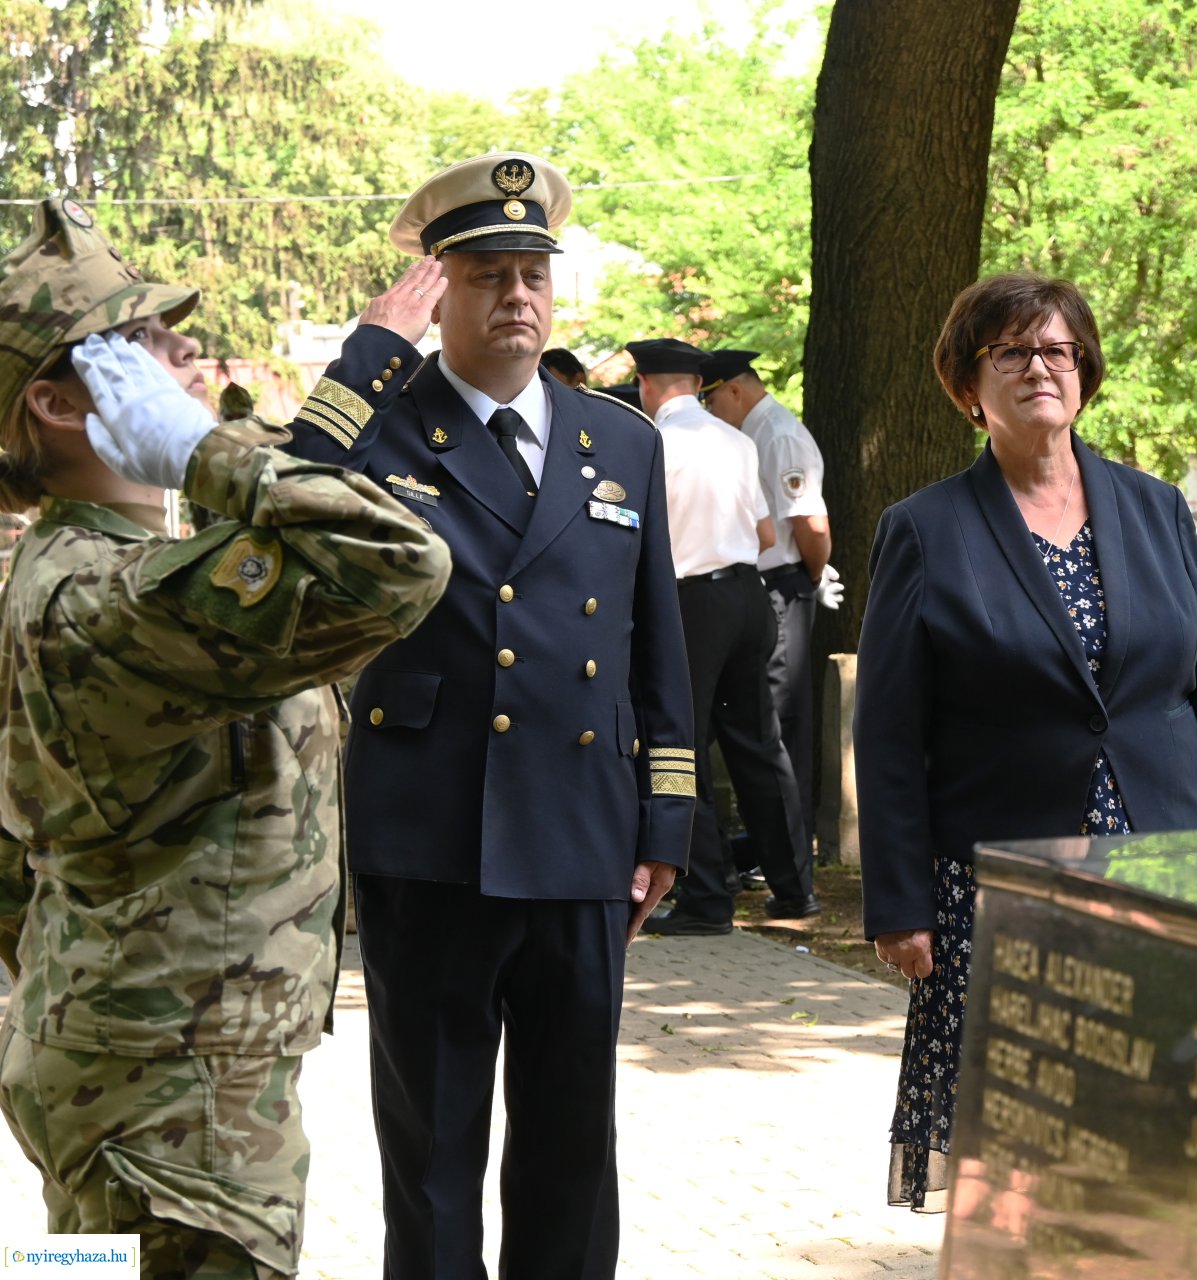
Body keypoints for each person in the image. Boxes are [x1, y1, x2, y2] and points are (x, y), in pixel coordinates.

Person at [0, 196, 451, 1276]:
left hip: (144, 1064)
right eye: (139, 347)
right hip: (176, 1100)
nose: (183, 353)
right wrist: (209, 451)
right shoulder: (111, 594)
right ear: (61, 403)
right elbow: (400, 563)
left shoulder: (84, 567)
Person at [277, 153, 697, 1279]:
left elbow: (657, 645)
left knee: (572, 1142)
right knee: (431, 1148)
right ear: (440, 291)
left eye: (534, 275)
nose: (518, 295)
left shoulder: (624, 441)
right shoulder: (381, 429)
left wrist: (665, 826)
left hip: (581, 831)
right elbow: (277, 516)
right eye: (489, 274)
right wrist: (366, 355)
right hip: (432, 830)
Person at [855, 272, 1197, 1211]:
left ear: (1084, 373)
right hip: (1001, 885)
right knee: (1022, 1155)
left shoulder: (1156, 510)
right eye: (1012, 351)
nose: (1040, 367)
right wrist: (899, 903)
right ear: (968, 384)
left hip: (1161, 870)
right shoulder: (925, 529)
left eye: (1058, 351)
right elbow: (888, 734)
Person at [629, 338, 819, 934]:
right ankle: (793, 889)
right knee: (759, 745)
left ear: (647, 386)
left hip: (692, 600)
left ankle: (708, 896)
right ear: (696, 383)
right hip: (748, 595)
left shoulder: (650, 441)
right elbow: (766, 535)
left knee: (681, 744)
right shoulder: (738, 440)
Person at [698, 348, 841, 871]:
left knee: (781, 720)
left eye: (712, 399)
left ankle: (788, 850)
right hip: (761, 584)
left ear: (735, 389)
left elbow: (811, 523)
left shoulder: (778, 434)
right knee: (759, 719)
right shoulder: (749, 434)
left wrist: (811, 574)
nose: (711, 411)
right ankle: (768, 846)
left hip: (784, 582)